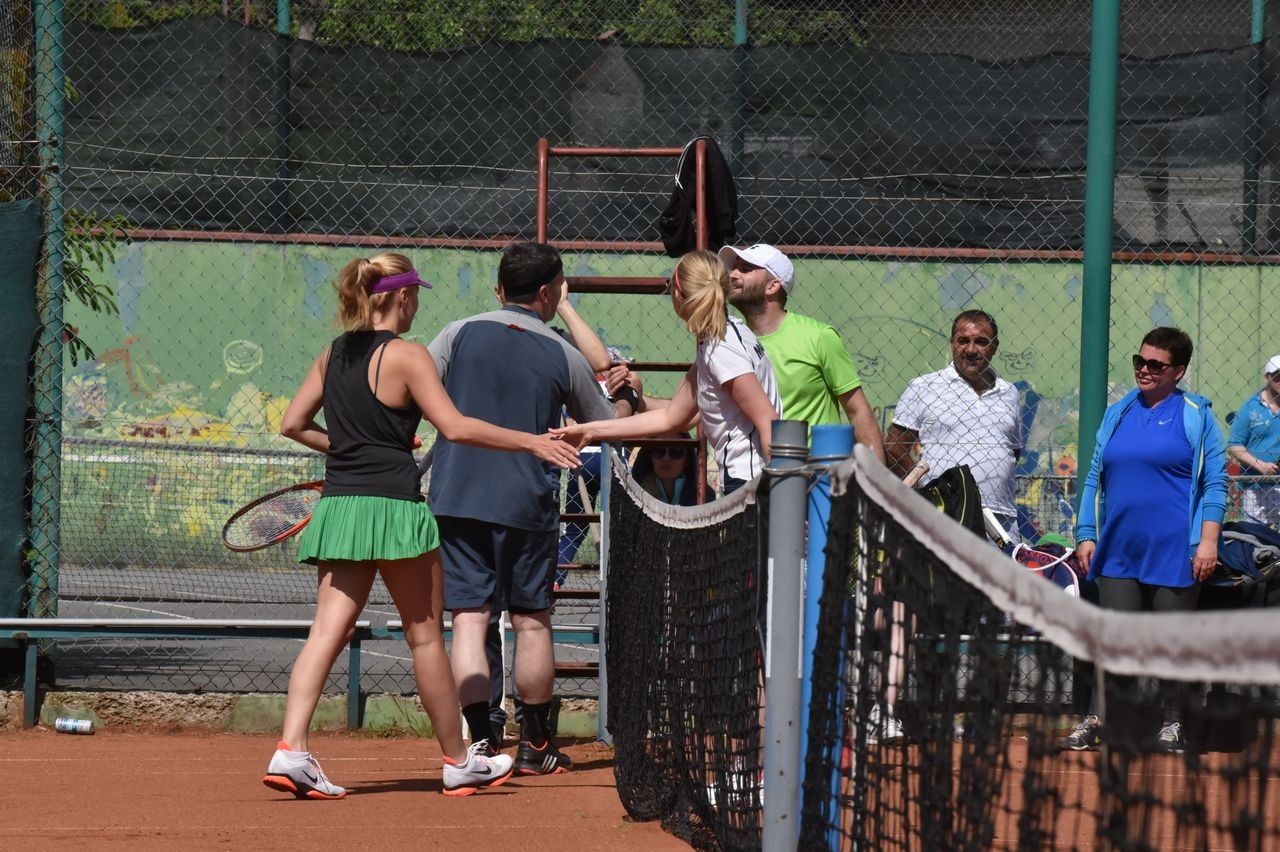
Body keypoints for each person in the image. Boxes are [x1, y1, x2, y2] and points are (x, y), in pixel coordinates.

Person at [264, 252, 580, 799]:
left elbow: (293, 424)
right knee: (426, 635)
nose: (417, 307)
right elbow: (454, 426)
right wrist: (531, 442)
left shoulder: (332, 353)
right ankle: (459, 761)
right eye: (417, 297)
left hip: (341, 508)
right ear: (403, 296)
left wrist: (351, 449)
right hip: (394, 510)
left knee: (326, 632)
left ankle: (290, 749)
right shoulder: (408, 356)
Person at [427, 241, 624, 776]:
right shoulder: (562, 352)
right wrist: (626, 396)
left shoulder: (456, 333)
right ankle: (536, 746)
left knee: (470, 619)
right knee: (532, 622)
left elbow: (419, 393)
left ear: (499, 288)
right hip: (526, 501)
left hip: (456, 497)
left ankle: (480, 745)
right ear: (547, 293)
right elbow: (603, 423)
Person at [1062, 326, 1228, 753]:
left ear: (1178, 370)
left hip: (1176, 551)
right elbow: (1094, 476)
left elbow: (1215, 485)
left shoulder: (1196, 414)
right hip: (1119, 548)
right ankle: (1098, 718)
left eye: (1156, 364)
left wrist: (1208, 542)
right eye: (1140, 361)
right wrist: (1086, 532)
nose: (1145, 370)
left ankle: (1173, 722)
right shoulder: (1118, 413)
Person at [555, 249, 781, 496]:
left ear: (677, 293)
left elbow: (768, 421)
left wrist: (780, 497)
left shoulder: (721, 350)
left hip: (752, 481)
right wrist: (591, 430)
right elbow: (673, 417)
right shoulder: (723, 337)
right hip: (749, 478)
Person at [720, 243, 886, 463]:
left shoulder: (819, 337)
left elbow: (857, 411)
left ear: (772, 286)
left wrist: (876, 477)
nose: (733, 275)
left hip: (814, 475)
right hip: (753, 473)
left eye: (745, 269)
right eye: (733, 268)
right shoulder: (730, 343)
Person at [885, 310, 1023, 541]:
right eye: (963, 340)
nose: (971, 350)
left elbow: (1013, 453)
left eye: (981, 342)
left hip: (1001, 521)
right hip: (942, 516)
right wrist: (927, 493)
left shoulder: (1010, 393)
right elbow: (894, 448)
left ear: (995, 346)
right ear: (952, 344)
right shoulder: (924, 387)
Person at [1226, 354, 1280, 525]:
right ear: (1267, 378)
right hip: (1256, 486)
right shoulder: (1251, 407)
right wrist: (1260, 465)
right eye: (1277, 376)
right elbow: (1234, 445)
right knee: (1256, 536)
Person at [632, 431, 716, 506]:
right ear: (650, 457)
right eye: (658, 450)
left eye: (676, 451)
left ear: (688, 460)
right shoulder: (635, 492)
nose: (666, 458)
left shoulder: (705, 496)